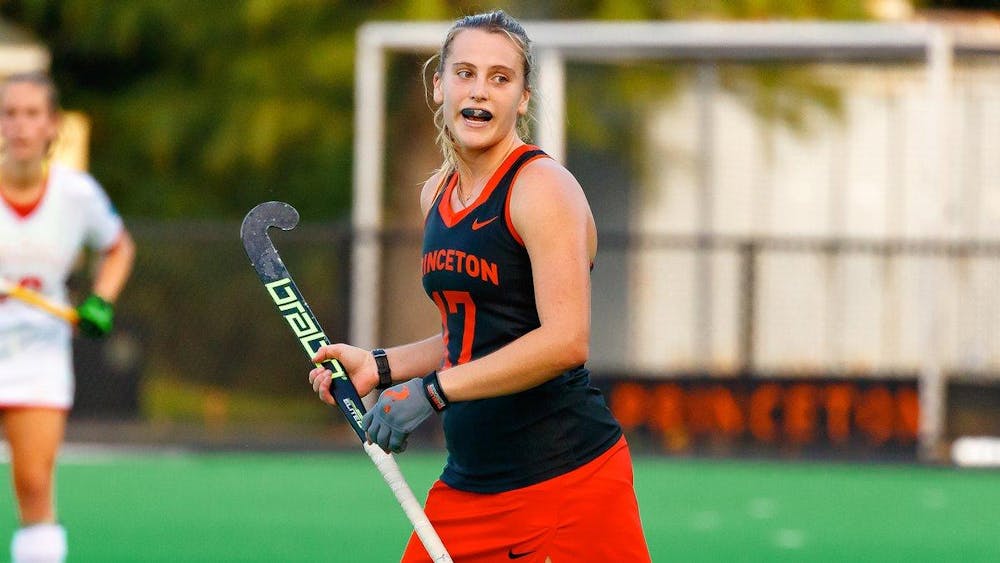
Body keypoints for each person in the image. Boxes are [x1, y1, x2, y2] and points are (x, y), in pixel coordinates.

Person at [309, 10, 650, 562]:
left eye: (500, 78)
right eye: (465, 73)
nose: (480, 91)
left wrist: (433, 393)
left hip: (568, 481)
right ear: (439, 85)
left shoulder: (541, 189)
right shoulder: (437, 196)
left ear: (523, 97)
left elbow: (565, 340)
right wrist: (382, 365)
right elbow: (472, 340)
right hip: (471, 486)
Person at [0, 71, 135, 563]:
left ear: (51, 125)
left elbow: (118, 249)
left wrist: (101, 298)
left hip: (38, 354)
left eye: (32, 114)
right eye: (9, 113)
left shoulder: (77, 194)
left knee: (34, 485)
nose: (19, 126)